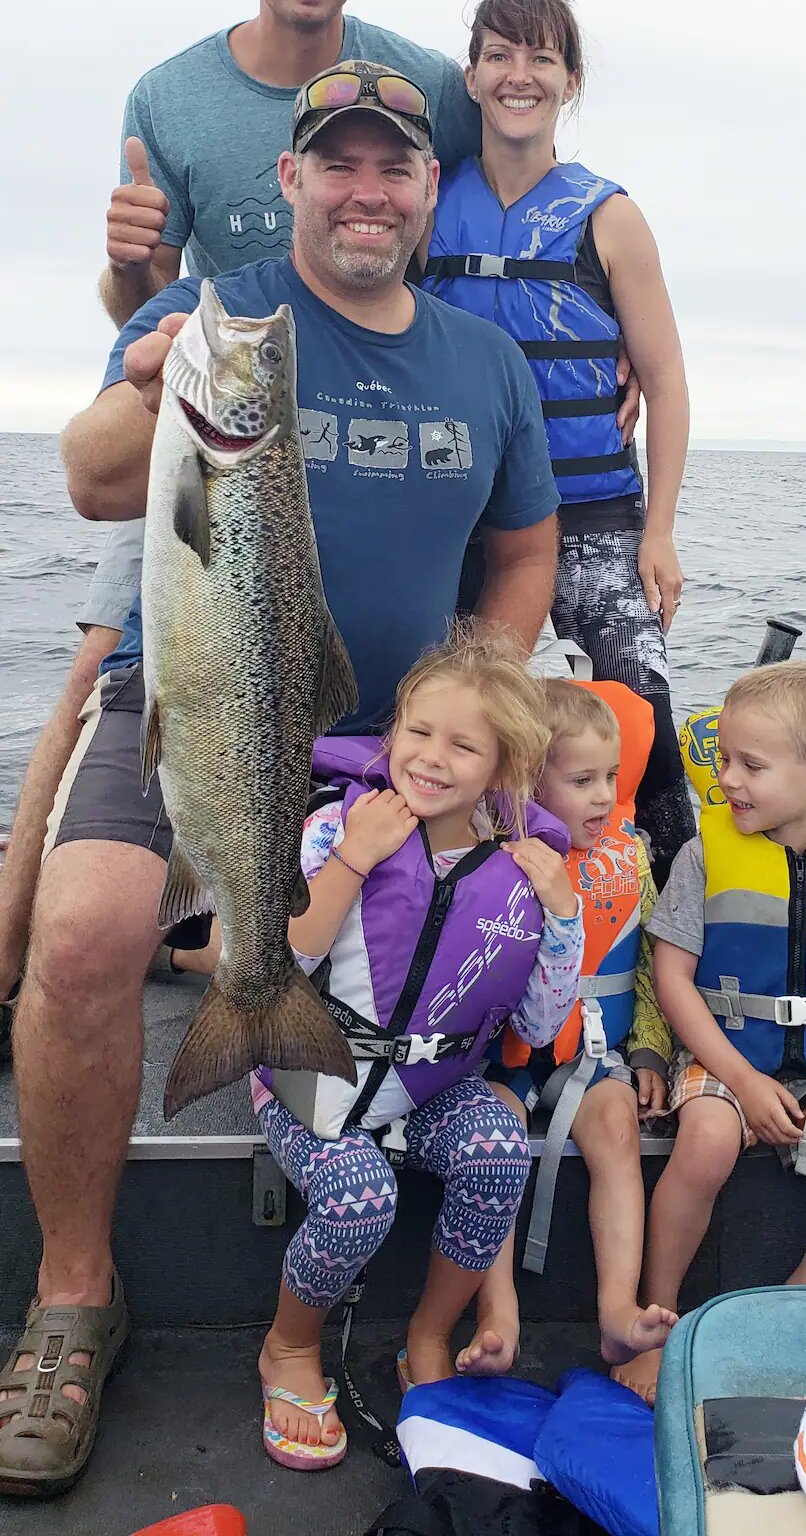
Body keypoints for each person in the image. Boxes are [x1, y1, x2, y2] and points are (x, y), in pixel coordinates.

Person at [0, 69, 560, 1499]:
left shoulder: (485, 362)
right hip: (195, 701)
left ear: (431, 191)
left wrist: (481, 722)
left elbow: (521, 554)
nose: (367, 190)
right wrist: (143, 386)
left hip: (408, 737)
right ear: (296, 180)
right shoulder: (216, 314)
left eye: (396, 169)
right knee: (76, 940)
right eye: (339, 166)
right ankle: (75, 1296)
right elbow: (86, 478)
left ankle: (293, 1041)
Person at [0, 0, 484, 1034]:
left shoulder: (421, 78)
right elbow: (141, 295)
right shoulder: (168, 91)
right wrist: (131, 295)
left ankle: (232, 948)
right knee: (100, 685)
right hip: (213, 409)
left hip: (353, 415)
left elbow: (469, 189)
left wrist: (578, 315)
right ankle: (30, 947)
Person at [253, 629, 584, 1468]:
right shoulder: (336, 828)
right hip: (310, 1081)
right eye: (418, 732)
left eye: (463, 746)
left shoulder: (521, 866)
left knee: (499, 1152)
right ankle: (290, 1347)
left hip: (429, 1089)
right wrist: (354, 863)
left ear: (502, 767)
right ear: (393, 730)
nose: (431, 759)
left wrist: (564, 919)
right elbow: (278, 963)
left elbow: (540, 1027)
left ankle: (427, 1338)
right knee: (360, 1197)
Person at [422, 0, 694, 886]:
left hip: (596, 517)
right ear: (471, 75)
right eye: (499, 54)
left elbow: (664, 380)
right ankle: (464, 900)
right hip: (467, 524)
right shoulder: (424, 205)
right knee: (456, 726)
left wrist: (659, 532)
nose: (520, 74)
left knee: (642, 714)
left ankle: (660, 913)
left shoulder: (610, 216)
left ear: (570, 80)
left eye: (542, 56)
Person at [630, 661, 806, 1406]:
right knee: (709, 1141)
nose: (727, 779)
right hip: (725, 1056)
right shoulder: (703, 854)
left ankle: (780, 1314)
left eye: (750, 765)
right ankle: (658, 1321)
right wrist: (746, 1081)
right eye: (724, 759)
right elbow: (672, 979)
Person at [465, 677, 677, 1384]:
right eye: (582, 779)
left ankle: (619, 1311)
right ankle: (498, 1309)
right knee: (493, 1129)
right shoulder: (498, 856)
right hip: (505, 1060)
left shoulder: (630, 857)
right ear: (528, 779)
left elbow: (646, 961)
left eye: (611, 778)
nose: (601, 796)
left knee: (616, 1124)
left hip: (595, 1052)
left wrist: (648, 1046)